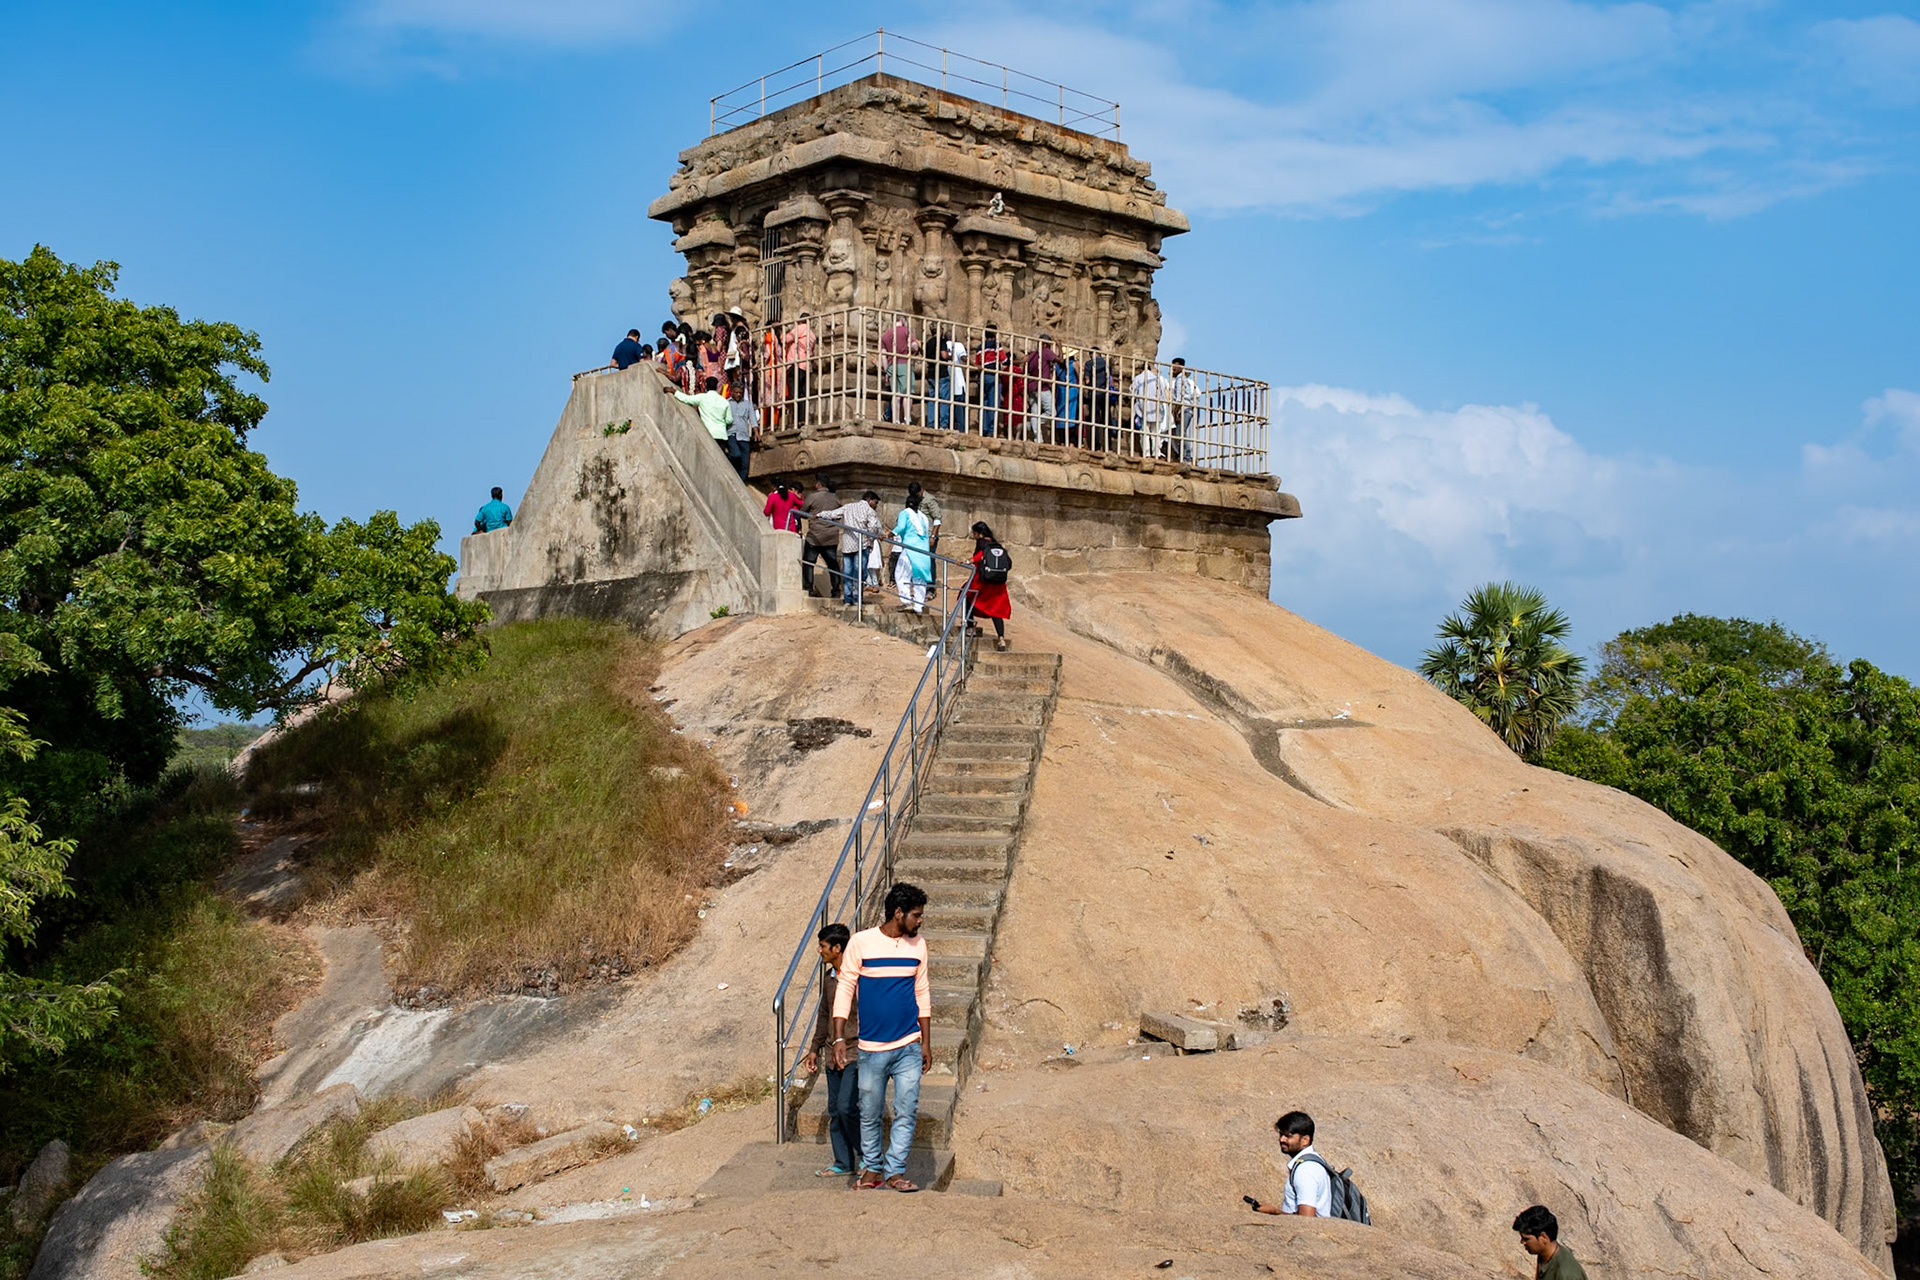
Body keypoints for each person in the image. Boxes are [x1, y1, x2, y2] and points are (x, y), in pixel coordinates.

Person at [832, 882, 931, 1192]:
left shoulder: (919, 946)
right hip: (871, 1049)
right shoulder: (861, 943)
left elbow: (922, 992)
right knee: (870, 1112)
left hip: (908, 1046)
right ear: (898, 913)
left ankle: (895, 1171)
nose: (920, 921)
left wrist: (926, 1041)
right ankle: (872, 1168)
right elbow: (845, 988)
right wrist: (837, 1038)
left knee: (906, 1110)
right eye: (916, 915)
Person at [800, 922, 861, 1179]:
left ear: (837, 948)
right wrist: (814, 1048)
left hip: (855, 1050)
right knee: (835, 1109)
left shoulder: (859, 977)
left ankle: (871, 1157)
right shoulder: (829, 979)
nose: (819, 951)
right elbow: (824, 1015)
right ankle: (843, 1162)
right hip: (830, 1053)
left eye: (823, 946)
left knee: (848, 1106)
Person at [1250, 1111, 1332, 1217]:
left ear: (1305, 1140)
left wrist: (1274, 1211)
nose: (1281, 1139)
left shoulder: (1306, 1170)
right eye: (1281, 1134)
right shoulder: (1312, 1162)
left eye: (1288, 1136)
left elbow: (1307, 1219)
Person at [822, 490, 883, 607]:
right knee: (859, 573)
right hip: (862, 545)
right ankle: (856, 598)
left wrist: (819, 515)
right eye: (875, 503)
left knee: (847, 573)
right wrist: (872, 540)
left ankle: (848, 599)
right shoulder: (869, 511)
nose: (876, 506)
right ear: (870, 500)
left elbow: (833, 514)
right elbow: (873, 528)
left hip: (848, 545)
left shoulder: (848, 507)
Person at [964, 521, 1013, 651]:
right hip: (998, 583)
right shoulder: (996, 544)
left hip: (983, 580)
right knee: (995, 609)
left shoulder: (981, 542)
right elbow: (1009, 563)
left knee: (966, 596)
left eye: (974, 533)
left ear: (978, 533)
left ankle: (970, 627)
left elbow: (979, 556)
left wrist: (966, 561)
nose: (974, 536)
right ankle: (1001, 639)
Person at [1513, 1206, 1587, 1279]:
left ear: (1543, 1237)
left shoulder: (1566, 1274)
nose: (1522, 1242)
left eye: (1526, 1239)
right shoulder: (1544, 1256)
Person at [800, 477, 844, 599]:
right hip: (831, 536)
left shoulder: (813, 497)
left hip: (815, 536)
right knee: (833, 564)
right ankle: (836, 590)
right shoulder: (835, 498)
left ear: (819, 484)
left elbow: (802, 512)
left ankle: (809, 588)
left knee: (808, 563)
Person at [890, 494, 933, 614]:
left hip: (910, 549)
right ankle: (919, 606)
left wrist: (888, 535)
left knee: (901, 574)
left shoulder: (905, 513)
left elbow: (901, 526)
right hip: (924, 552)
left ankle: (907, 601)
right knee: (920, 579)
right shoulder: (923, 517)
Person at [672, 376, 733, 456]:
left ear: (706, 385)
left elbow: (687, 399)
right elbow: (729, 420)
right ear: (716, 386)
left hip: (709, 434)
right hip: (721, 435)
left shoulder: (702, 397)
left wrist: (674, 392)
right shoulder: (724, 401)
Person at [880, 314, 918, 424]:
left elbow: (883, 356)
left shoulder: (885, 335)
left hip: (891, 365)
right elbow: (914, 345)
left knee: (895, 394)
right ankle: (907, 418)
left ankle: (896, 419)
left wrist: (887, 370)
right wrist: (913, 348)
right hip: (904, 363)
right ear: (902, 319)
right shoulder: (905, 331)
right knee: (907, 393)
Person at [784, 313, 816, 427]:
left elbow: (785, 339)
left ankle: (797, 419)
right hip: (807, 366)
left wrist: (783, 331)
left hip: (796, 364)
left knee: (794, 394)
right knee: (803, 394)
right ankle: (802, 419)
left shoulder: (800, 329)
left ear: (800, 321)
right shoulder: (812, 334)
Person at [1130, 359, 1167, 458]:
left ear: (1141, 369)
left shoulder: (1138, 378)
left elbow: (1132, 392)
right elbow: (1163, 396)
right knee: (1155, 433)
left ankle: (1147, 453)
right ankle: (1156, 453)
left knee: (1145, 432)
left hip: (1143, 408)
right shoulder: (1157, 379)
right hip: (1156, 409)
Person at [975, 329, 1008, 436]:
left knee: (983, 403)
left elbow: (977, 363)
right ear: (994, 335)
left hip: (982, 376)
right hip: (993, 375)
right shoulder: (996, 345)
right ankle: (991, 430)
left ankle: (983, 428)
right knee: (993, 404)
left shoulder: (980, 347)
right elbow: (1004, 360)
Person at [1168, 357, 1199, 464]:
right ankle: (1182, 455)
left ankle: (1186, 457)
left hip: (1184, 409)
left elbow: (1179, 398)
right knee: (1178, 433)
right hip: (1186, 408)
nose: (1174, 368)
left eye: (1176, 366)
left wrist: (1175, 413)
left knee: (1180, 433)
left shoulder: (1179, 380)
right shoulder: (1183, 380)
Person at [724, 378, 755, 482]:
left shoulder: (747, 404)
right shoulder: (726, 403)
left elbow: (753, 419)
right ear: (731, 391)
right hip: (731, 433)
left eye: (740, 393)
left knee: (745, 463)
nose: (738, 395)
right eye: (736, 392)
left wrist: (757, 432)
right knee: (736, 455)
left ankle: (740, 482)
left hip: (744, 435)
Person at [937, 326, 968, 430]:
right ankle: (961, 430)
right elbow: (963, 358)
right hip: (957, 382)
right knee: (959, 410)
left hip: (945, 380)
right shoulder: (958, 345)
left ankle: (946, 426)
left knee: (946, 406)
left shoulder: (942, 346)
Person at [906, 480, 943, 558]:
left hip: (929, 536)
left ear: (921, 490)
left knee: (929, 560)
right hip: (919, 535)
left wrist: (932, 537)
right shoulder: (915, 499)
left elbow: (937, 519)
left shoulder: (929, 500)